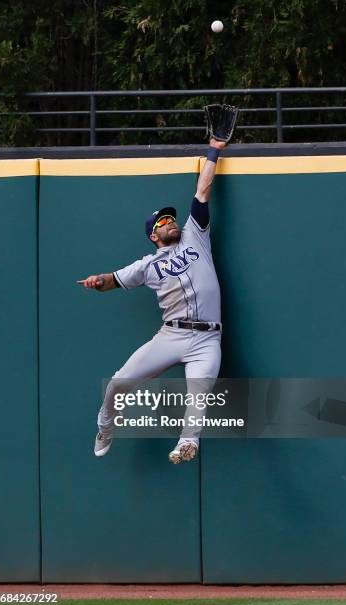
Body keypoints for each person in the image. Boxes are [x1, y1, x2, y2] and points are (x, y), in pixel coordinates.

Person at [78, 137, 226, 464]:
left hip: (207, 338)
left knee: (198, 392)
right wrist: (96, 281)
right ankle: (105, 426)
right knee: (119, 382)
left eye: (171, 218)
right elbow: (112, 281)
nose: (170, 222)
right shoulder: (146, 265)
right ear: (153, 236)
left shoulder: (195, 234)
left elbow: (202, 191)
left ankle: (188, 444)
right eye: (162, 222)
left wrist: (214, 149)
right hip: (171, 335)